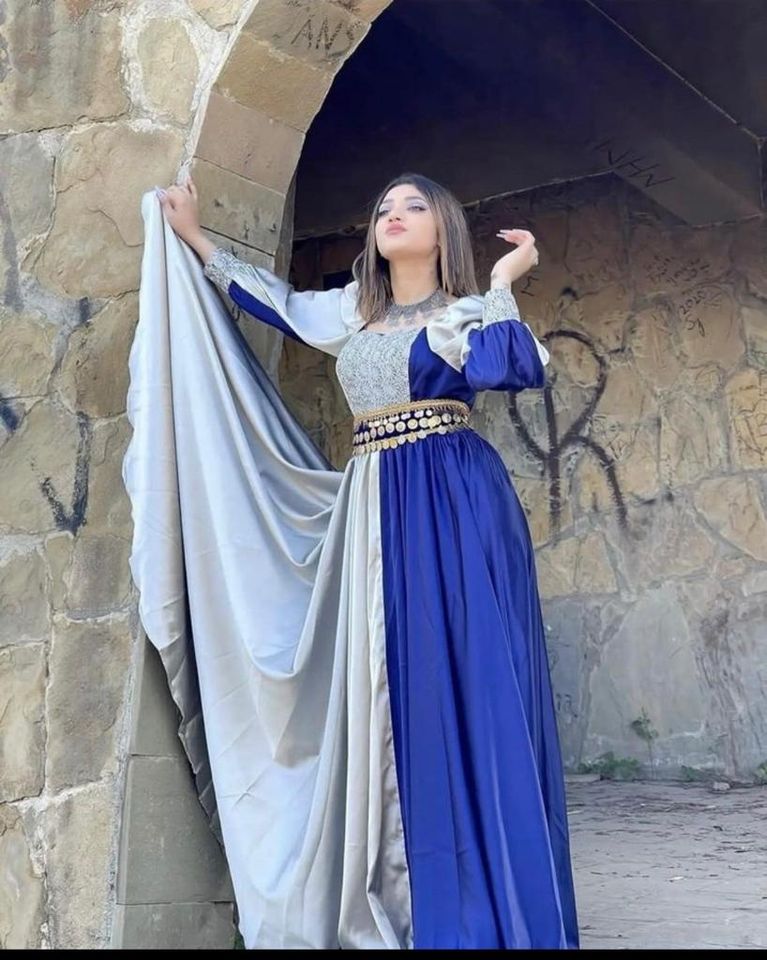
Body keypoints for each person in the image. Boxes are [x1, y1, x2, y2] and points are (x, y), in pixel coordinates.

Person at [148, 171, 579, 949]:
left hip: (454, 502)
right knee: (393, 682)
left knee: (468, 677)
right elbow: (274, 304)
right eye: (384, 207)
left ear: (444, 228)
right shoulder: (352, 312)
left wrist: (501, 283)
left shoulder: (464, 312)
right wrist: (196, 239)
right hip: (375, 505)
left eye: (414, 206)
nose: (394, 215)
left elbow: (508, 369)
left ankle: (483, 899)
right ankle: (406, 892)